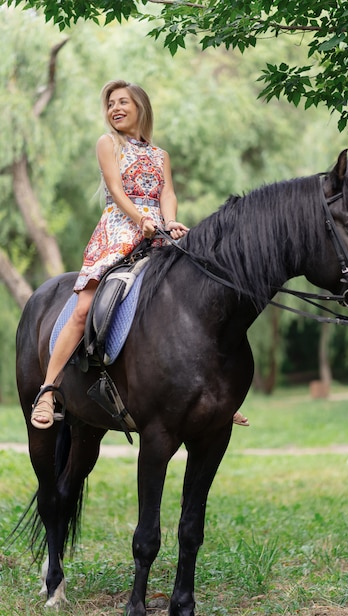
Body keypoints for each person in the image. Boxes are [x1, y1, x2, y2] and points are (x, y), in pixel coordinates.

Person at [31, 79, 249, 429]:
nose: (115, 109)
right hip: (119, 230)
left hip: (158, 233)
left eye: (122, 102)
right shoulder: (108, 144)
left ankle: (207, 389)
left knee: (194, 299)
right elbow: (115, 189)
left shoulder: (160, 155)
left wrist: (171, 220)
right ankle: (48, 389)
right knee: (83, 308)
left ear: (140, 108)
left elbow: (168, 194)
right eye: (110, 104)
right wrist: (140, 219)